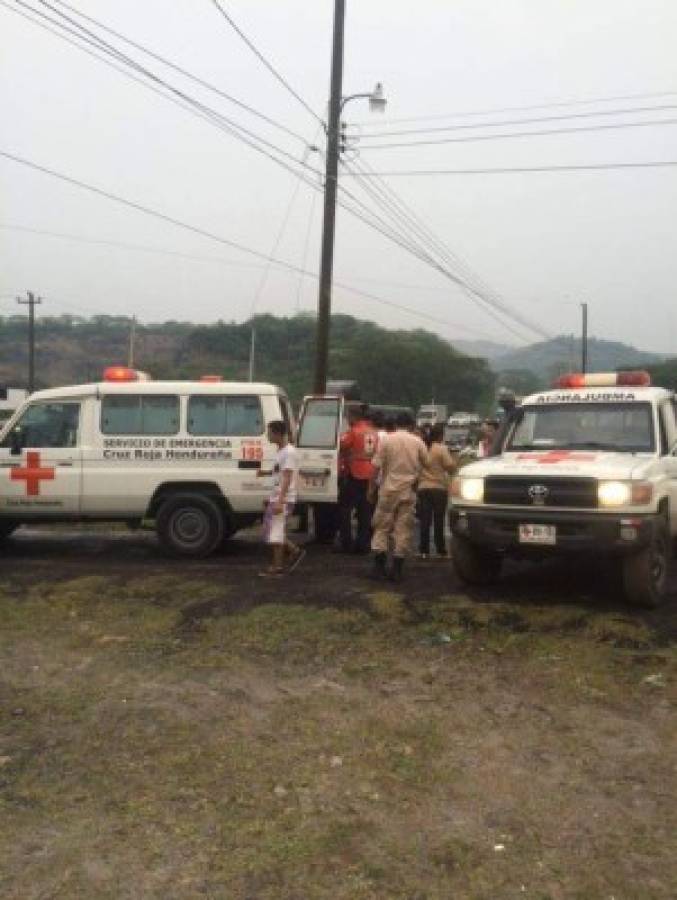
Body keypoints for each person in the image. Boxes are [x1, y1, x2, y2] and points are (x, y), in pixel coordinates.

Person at [368, 411, 428, 582]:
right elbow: (426, 463)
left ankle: (379, 568)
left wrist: (371, 489)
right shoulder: (418, 442)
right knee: (403, 529)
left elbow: (376, 468)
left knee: (381, 527)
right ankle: (397, 569)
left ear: (395, 424)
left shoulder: (386, 440)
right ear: (411, 425)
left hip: (388, 490)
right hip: (408, 492)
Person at [258, 420, 305, 577]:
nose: (268, 435)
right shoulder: (281, 452)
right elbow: (279, 474)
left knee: (275, 533)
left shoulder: (289, 452)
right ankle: (294, 551)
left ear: (278, 434)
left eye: (270, 432)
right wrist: (265, 475)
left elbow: (287, 477)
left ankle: (277, 567)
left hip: (283, 498)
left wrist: (279, 500)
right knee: (271, 531)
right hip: (278, 496)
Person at [338, 404, 379, 553]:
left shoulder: (353, 432)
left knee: (344, 509)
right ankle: (363, 544)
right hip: (371, 474)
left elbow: (341, 445)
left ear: (354, 417)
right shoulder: (374, 432)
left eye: (348, 416)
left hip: (355, 473)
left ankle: (346, 543)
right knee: (365, 512)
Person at [417, 423, 457, 558]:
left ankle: (423, 551)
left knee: (425, 521)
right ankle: (441, 551)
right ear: (441, 436)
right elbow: (450, 467)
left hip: (423, 488)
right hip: (439, 488)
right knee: (438, 520)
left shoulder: (423, 447)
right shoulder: (441, 449)